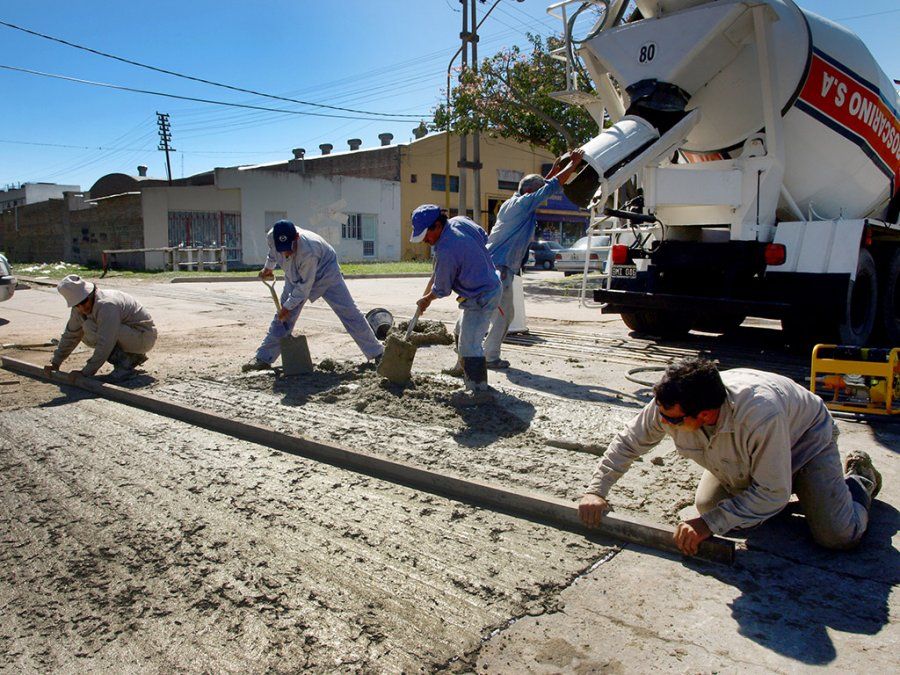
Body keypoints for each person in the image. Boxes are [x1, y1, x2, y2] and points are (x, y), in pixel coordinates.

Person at [579, 358, 882, 555]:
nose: (663, 423)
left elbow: (772, 493)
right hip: (752, 453)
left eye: (672, 420)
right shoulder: (671, 403)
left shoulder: (760, 414)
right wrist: (596, 490)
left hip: (805, 442)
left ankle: (859, 481)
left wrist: (709, 524)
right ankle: (798, 496)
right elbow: (629, 441)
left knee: (837, 535)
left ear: (706, 414)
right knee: (709, 507)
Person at [482, 149, 585, 369]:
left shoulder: (517, 202)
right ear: (529, 192)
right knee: (499, 315)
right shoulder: (522, 205)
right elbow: (548, 188)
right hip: (498, 269)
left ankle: (471, 347)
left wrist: (555, 169)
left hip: (497, 267)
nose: (541, 200)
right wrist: (572, 165)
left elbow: (541, 188)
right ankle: (487, 356)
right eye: (536, 194)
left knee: (498, 313)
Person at [243, 220, 384, 371]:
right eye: (282, 249)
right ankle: (264, 357)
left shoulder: (309, 250)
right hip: (294, 274)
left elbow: (304, 288)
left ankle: (378, 353)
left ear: (296, 238)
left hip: (326, 274)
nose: (285, 253)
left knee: (349, 312)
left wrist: (287, 307)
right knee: (281, 319)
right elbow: (272, 253)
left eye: (288, 249)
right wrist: (267, 269)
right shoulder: (272, 237)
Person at [411, 204, 501, 404]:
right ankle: (463, 368)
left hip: (481, 297)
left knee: (469, 345)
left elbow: (442, 289)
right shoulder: (460, 221)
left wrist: (426, 299)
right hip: (487, 282)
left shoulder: (446, 250)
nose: (426, 241)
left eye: (426, 236)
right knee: (460, 331)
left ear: (437, 226)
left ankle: (478, 391)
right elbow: (483, 237)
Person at [45, 274, 157, 382]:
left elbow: (106, 342)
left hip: (143, 337)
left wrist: (86, 372)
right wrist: (55, 362)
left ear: (91, 294)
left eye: (84, 302)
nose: (82, 308)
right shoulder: (79, 309)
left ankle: (124, 368)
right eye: (77, 305)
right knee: (83, 329)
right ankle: (130, 358)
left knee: (91, 328)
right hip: (128, 335)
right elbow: (71, 335)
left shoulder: (107, 305)